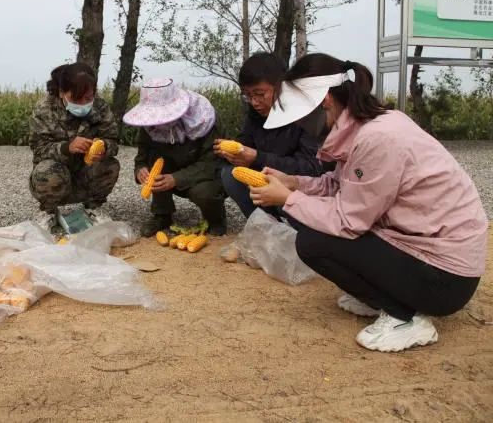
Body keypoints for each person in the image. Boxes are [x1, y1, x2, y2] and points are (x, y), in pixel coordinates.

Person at [249, 53, 487, 352]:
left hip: (445, 279)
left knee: (314, 242)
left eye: (302, 116)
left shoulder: (377, 139)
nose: (302, 125)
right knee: (314, 226)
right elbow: (340, 186)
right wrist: (294, 183)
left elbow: (348, 221)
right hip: (430, 253)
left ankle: (405, 317)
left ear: (325, 101)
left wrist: (288, 199)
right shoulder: (365, 127)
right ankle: (384, 298)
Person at [214, 52, 324, 219]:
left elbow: (311, 168)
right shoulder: (256, 112)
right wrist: (233, 151)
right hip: (266, 176)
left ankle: (299, 226)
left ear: (281, 87)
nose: (254, 102)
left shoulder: (306, 114)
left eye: (259, 94)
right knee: (230, 174)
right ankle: (265, 224)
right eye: (248, 96)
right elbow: (246, 140)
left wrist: (257, 158)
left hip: (299, 187)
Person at [124, 78, 226, 237]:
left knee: (204, 192)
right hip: (171, 167)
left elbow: (211, 164)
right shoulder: (148, 125)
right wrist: (140, 169)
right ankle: (162, 214)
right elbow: (142, 155)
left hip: (203, 175)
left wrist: (176, 179)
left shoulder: (205, 119)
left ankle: (215, 219)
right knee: (155, 161)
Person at [28, 62, 120, 232]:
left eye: (88, 98)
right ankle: (49, 211)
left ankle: (93, 207)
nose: (83, 104)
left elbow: (114, 141)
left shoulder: (100, 107)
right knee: (45, 170)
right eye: (76, 99)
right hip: (58, 174)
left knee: (110, 164)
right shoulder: (44, 110)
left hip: (87, 171)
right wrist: (66, 148)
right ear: (61, 92)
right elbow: (39, 150)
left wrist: (104, 147)